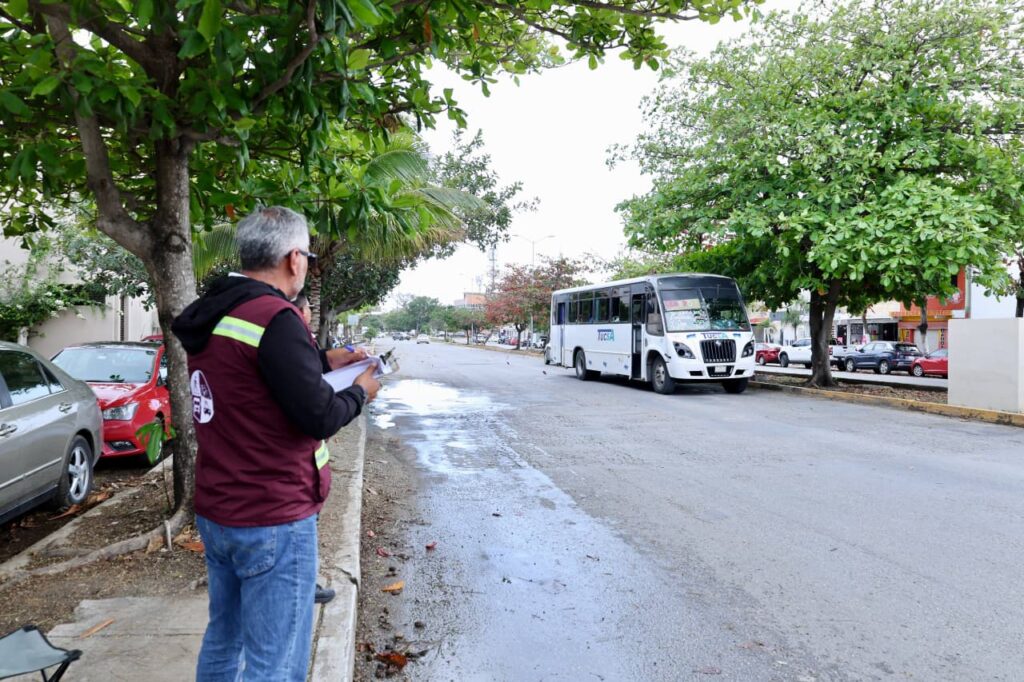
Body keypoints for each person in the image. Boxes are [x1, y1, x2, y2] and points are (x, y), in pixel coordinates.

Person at [172, 206, 380, 682]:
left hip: (219, 510)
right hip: (272, 515)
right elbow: (317, 415)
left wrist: (326, 360)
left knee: (225, 640)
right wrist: (361, 391)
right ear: (293, 259)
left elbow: (253, 375)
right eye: (306, 253)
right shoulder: (276, 316)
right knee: (276, 662)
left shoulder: (216, 311)